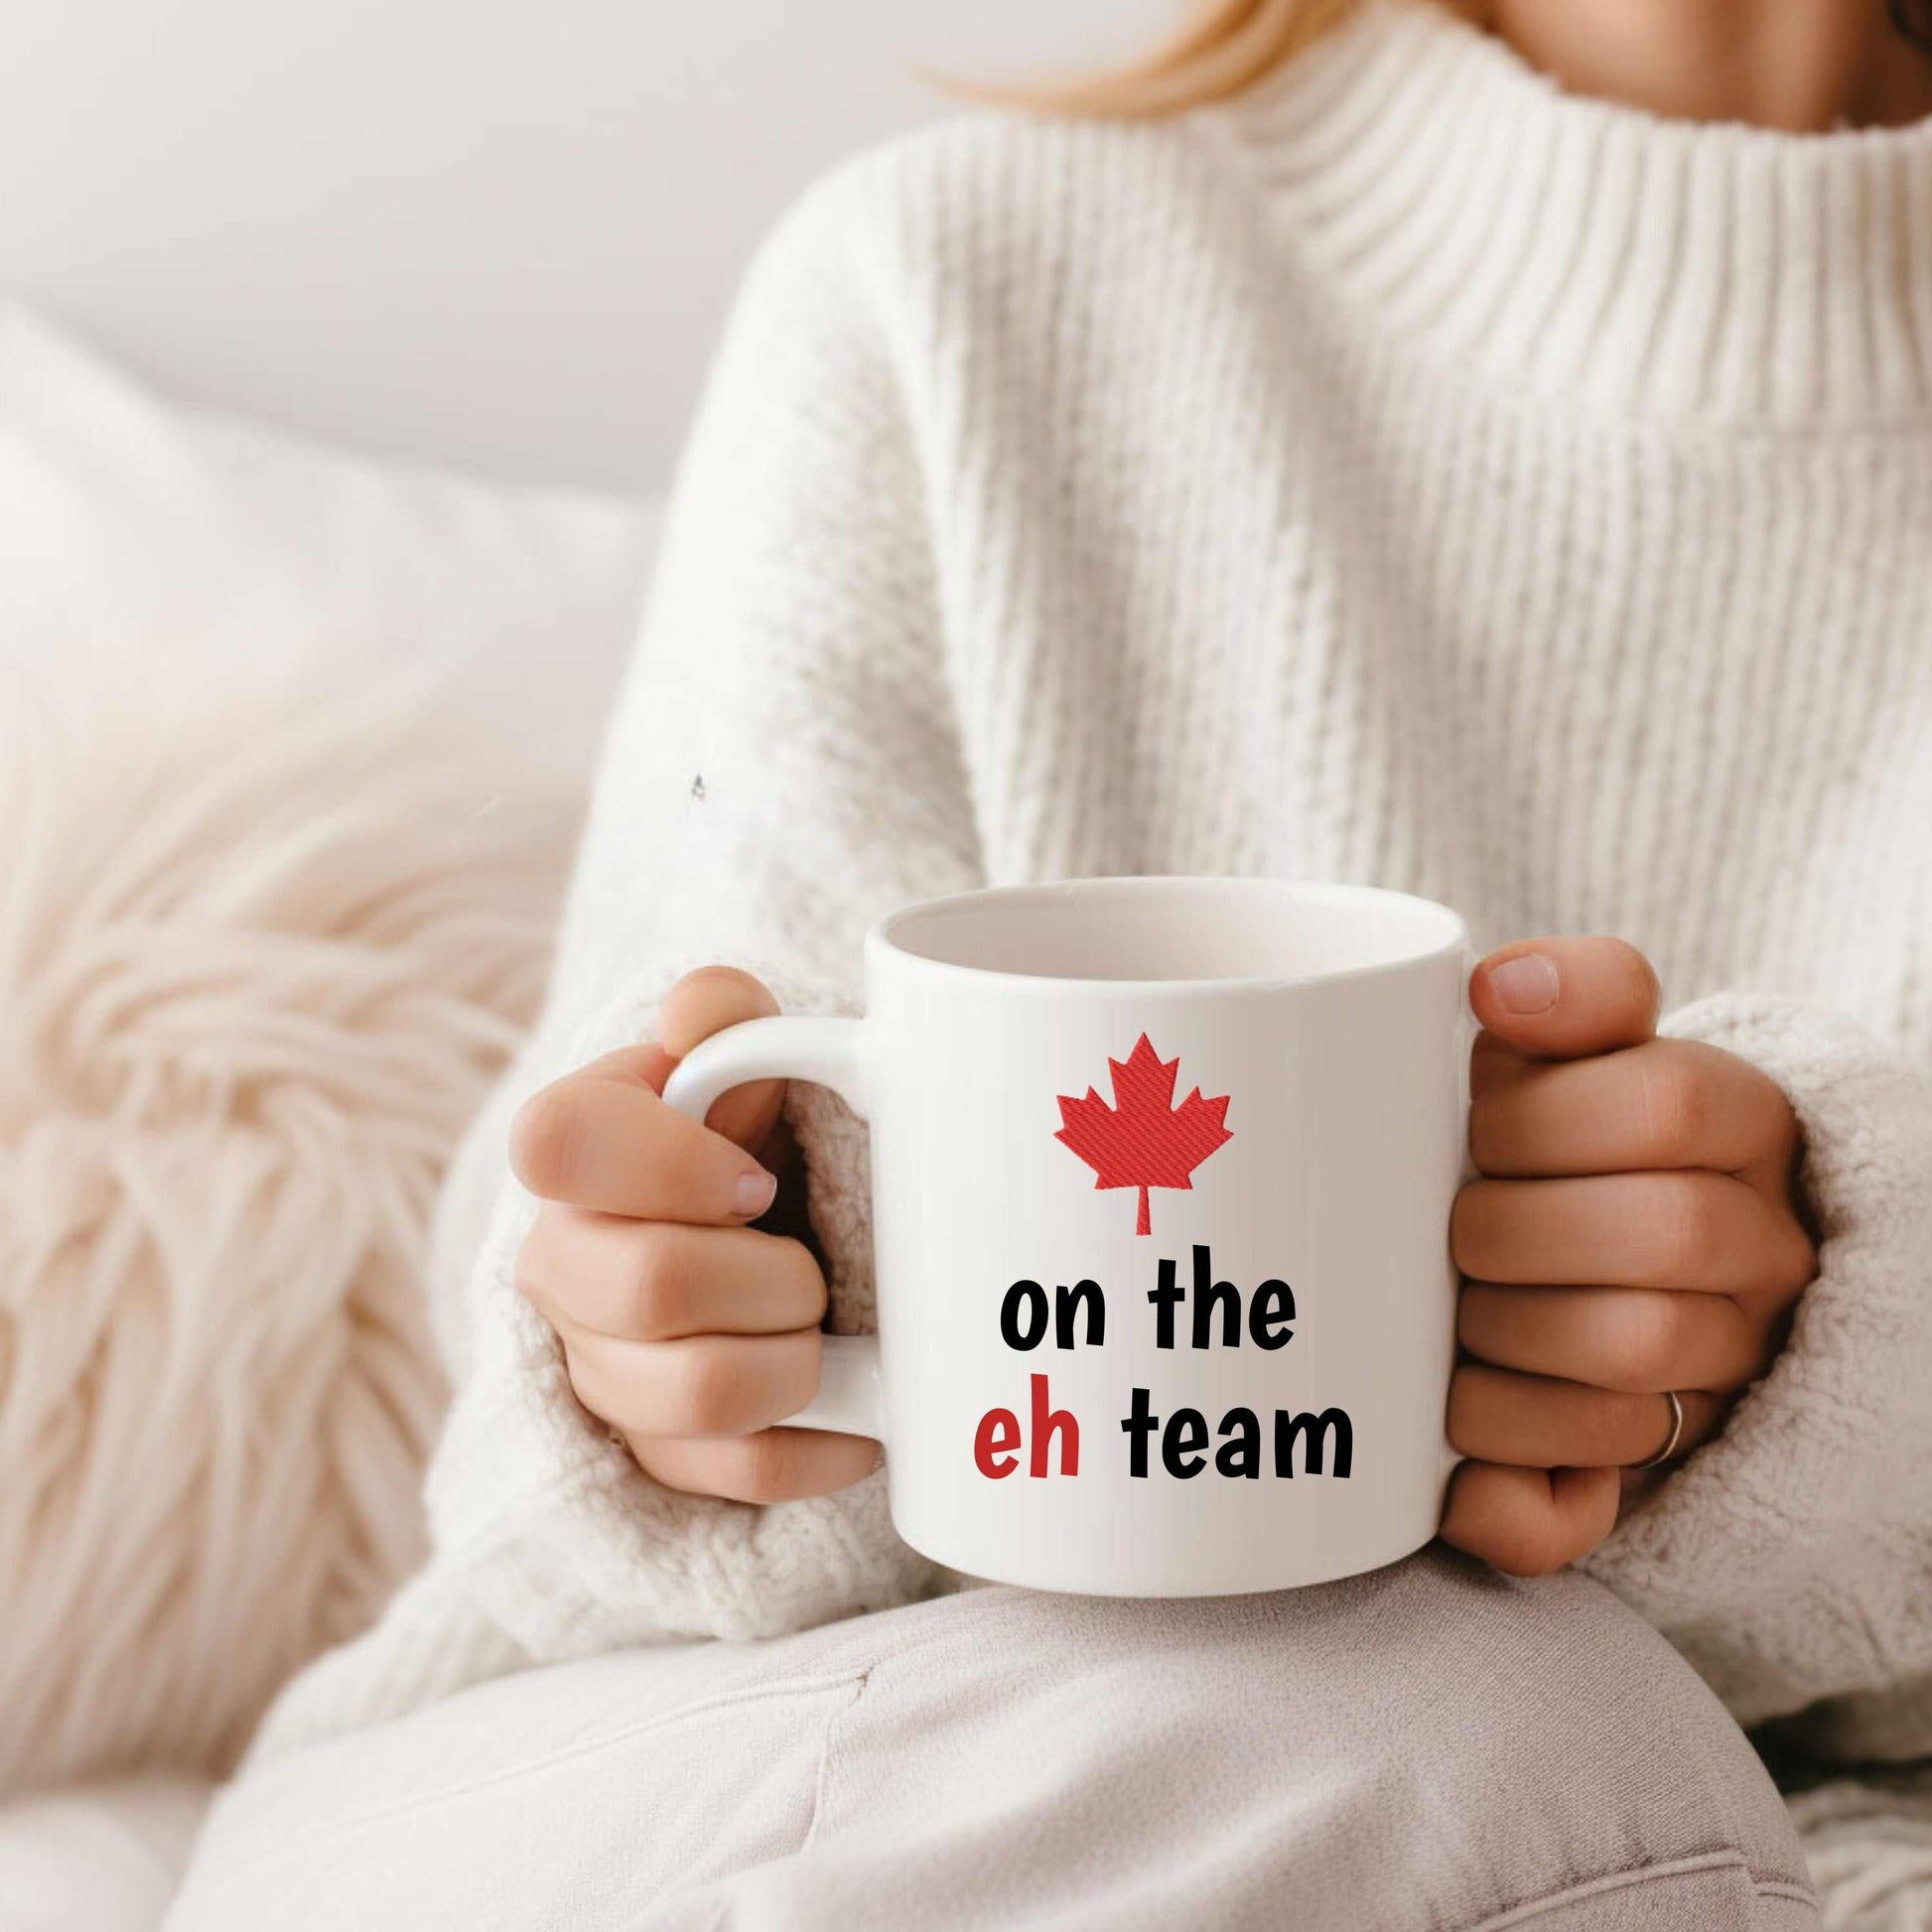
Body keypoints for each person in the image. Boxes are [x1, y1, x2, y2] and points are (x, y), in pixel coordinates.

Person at [165, 2, 1932, 1926]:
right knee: (1506, 1739)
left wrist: (1847, 1345)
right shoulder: (949, 292)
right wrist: (676, 1361)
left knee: (1550, 1765)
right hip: (700, 1778)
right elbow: (537, 1443)